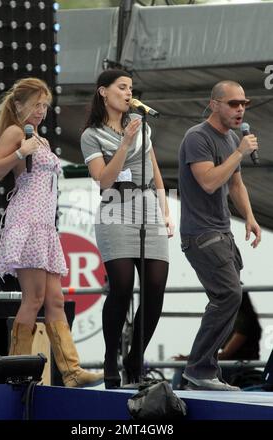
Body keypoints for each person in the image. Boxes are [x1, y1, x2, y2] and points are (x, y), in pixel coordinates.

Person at [0, 77, 103, 388]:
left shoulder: (39, 137)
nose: (40, 111)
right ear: (19, 105)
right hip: (27, 219)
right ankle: (16, 369)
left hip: (45, 223)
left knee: (55, 299)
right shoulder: (15, 132)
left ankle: (72, 371)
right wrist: (20, 152)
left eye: (45, 106)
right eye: (36, 104)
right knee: (34, 298)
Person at [80, 69, 174, 389]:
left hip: (147, 207)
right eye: (121, 87)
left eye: (130, 88)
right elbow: (104, 180)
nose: (127, 92)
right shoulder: (91, 135)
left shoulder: (141, 127)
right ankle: (110, 357)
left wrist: (165, 211)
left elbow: (155, 170)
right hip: (115, 209)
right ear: (103, 92)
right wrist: (125, 143)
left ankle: (136, 355)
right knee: (121, 287)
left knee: (156, 287)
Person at [178, 80, 261, 391]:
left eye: (243, 104)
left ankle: (204, 371)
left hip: (223, 232)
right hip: (201, 233)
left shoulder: (229, 140)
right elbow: (210, 182)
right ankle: (199, 369)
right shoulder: (198, 137)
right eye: (233, 103)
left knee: (225, 298)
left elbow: (235, 185)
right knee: (229, 295)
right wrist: (240, 152)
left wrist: (250, 218)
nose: (240, 109)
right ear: (214, 104)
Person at [173, 291, 262, 389]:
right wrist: (189, 358)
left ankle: (179, 398)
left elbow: (226, 354)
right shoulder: (235, 318)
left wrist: (190, 359)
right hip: (231, 365)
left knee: (186, 369)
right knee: (188, 369)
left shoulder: (243, 320)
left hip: (237, 368)